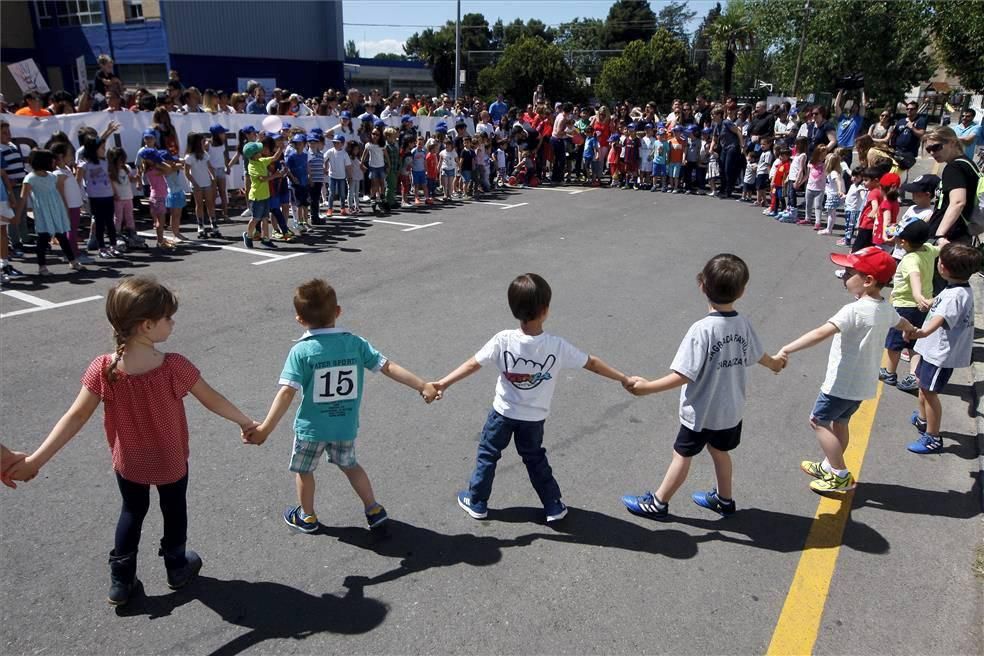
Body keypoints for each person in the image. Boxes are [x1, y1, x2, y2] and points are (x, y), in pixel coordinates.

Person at [4, 276, 257, 606]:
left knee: (132, 511)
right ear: (148, 325)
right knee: (174, 507)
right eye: (168, 317)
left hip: (130, 462)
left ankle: (121, 581)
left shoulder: (103, 368)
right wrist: (246, 422)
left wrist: (35, 461)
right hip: (170, 459)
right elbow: (212, 399)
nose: (173, 322)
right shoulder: (173, 366)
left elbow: (74, 418)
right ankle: (177, 566)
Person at [245, 279, 439, 534]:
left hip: (311, 428)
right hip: (344, 425)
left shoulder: (301, 351)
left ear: (299, 319)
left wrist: (265, 429)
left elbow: (286, 393)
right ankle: (373, 509)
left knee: (304, 472)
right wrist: (422, 385)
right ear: (337, 311)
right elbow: (387, 366)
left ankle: (307, 516)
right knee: (350, 466)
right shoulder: (355, 343)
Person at [435, 273, 629, 523]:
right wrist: (622, 377)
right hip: (534, 419)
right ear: (545, 310)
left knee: (488, 454)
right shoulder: (556, 346)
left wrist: (443, 383)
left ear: (514, 309)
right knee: (535, 458)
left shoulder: (502, 340)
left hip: (502, 413)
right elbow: (590, 363)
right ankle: (553, 505)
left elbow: (473, 364)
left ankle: (478, 501)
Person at [621, 254, 784, 519]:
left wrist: (647, 387)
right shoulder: (742, 323)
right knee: (720, 452)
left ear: (702, 286)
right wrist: (775, 363)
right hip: (730, 411)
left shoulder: (702, 330)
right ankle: (724, 499)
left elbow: (684, 374)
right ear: (742, 292)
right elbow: (758, 355)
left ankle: (659, 503)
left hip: (702, 413)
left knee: (681, 455)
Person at [779, 247, 914, 493]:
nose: (843, 275)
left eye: (850, 272)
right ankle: (831, 466)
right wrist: (909, 329)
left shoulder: (853, 310)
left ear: (868, 280)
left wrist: (788, 348)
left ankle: (840, 474)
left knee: (818, 420)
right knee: (840, 423)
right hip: (863, 385)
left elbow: (821, 333)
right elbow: (901, 323)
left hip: (841, 384)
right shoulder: (886, 307)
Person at [904, 244, 982, 454]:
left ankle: (933, 437)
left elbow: (938, 320)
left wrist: (917, 332)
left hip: (940, 355)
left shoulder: (954, 295)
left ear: (944, 268)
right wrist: (931, 302)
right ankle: (923, 419)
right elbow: (943, 307)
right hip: (933, 351)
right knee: (923, 386)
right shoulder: (958, 288)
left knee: (929, 393)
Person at [879, 219, 937, 392]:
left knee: (894, 342)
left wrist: (917, 294)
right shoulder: (928, 249)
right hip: (921, 308)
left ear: (903, 242)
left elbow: (915, 276)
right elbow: (940, 248)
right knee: (915, 341)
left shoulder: (910, 259)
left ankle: (890, 372)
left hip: (904, 306)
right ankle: (914, 375)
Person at [14, 149, 84, 276]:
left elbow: (57, 194)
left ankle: (72, 261)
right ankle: (42, 267)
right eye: (51, 159)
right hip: (42, 214)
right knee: (43, 239)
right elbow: (23, 198)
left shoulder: (52, 176)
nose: (53, 161)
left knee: (62, 237)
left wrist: (64, 209)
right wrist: (18, 216)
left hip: (56, 211)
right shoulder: (30, 178)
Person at [77, 136, 122, 259]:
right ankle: (102, 247)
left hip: (108, 196)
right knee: (100, 223)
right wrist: (79, 196)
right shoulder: (85, 163)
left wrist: (115, 192)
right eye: (102, 148)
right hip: (95, 197)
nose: (104, 150)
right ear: (94, 149)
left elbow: (110, 178)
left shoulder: (105, 162)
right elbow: (78, 180)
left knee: (110, 222)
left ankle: (113, 246)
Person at [242, 140, 284, 249]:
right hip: (256, 197)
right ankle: (248, 236)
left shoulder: (261, 160)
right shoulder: (252, 166)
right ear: (254, 155)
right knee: (256, 219)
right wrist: (276, 176)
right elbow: (262, 179)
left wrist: (281, 147)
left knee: (265, 218)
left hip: (265, 196)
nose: (261, 152)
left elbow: (274, 158)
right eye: (258, 151)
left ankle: (266, 239)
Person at [183, 132, 218, 239]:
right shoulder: (189, 157)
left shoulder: (204, 154)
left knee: (210, 203)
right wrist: (194, 183)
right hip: (197, 185)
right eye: (201, 141)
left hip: (207, 183)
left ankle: (214, 225)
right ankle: (201, 226)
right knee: (199, 205)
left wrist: (213, 178)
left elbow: (210, 167)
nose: (204, 143)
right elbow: (186, 172)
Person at [833, 88, 867, 166]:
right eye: (853, 106)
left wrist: (862, 91)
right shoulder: (842, 118)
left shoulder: (858, 120)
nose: (854, 108)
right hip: (837, 148)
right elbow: (836, 105)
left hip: (847, 151)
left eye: (856, 107)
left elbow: (863, 105)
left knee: (845, 174)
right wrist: (840, 91)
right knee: (833, 173)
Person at [837, 166, 866, 246]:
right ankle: (847, 238)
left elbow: (863, 197)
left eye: (857, 177)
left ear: (862, 178)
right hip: (848, 208)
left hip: (853, 210)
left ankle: (847, 241)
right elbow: (850, 195)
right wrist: (844, 196)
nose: (853, 178)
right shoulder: (853, 185)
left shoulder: (860, 187)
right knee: (848, 224)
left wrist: (865, 201)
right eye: (853, 176)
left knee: (850, 226)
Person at [324, 134, 352, 218]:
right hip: (332, 176)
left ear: (342, 144)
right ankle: (330, 209)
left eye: (337, 143)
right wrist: (325, 168)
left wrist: (350, 176)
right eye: (334, 143)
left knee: (342, 194)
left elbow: (348, 166)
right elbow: (323, 159)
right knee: (331, 193)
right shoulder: (330, 151)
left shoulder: (344, 154)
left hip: (342, 177)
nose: (335, 144)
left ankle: (343, 209)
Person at [818, 151, 845, 235]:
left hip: (833, 195)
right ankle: (829, 228)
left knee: (831, 213)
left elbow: (838, 181)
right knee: (831, 213)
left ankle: (828, 229)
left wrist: (840, 190)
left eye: (826, 160)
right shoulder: (832, 172)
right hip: (831, 194)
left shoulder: (833, 173)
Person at [207, 125, 230, 221]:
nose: (224, 134)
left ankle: (225, 214)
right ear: (217, 134)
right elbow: (205, 158)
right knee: (212, 194)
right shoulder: (208, 143)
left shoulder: (222, 143)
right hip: (211, 170)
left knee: (222, 192)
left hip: (220, 169)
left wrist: (227, 166)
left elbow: (224, 156)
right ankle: (212, 216)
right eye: (222, 133)